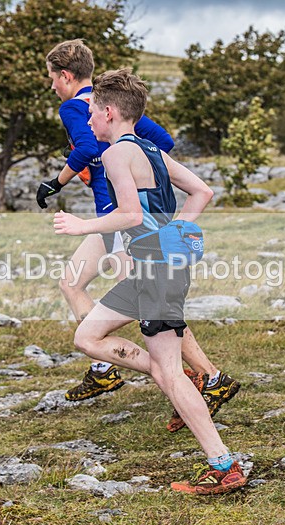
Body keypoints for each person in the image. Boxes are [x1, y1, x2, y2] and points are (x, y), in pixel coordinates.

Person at [52, 68, 247, 494]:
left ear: (108, 112)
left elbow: (131, 216)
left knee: (170, 374)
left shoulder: (118, 154)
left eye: (91, 116)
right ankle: (162, 368)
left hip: (157, 274)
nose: (87, 124)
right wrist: (176, 231)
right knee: (88, 336)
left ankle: (224, 466)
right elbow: (202, 192)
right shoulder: (151, 150)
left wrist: (82, 224)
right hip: (150, 270)